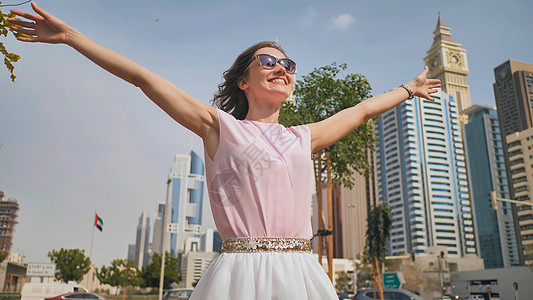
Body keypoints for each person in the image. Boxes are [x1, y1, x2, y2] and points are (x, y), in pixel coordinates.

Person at [8, 3, 440, 299]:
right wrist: (71, 36)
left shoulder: (302, 136)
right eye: (268, 61)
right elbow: (142, 77)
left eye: (288, 65)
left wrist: (409, 89)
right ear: (244, 81)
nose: (281, 69)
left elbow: (362, 111)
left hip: (302, 276)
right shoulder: (219, 128)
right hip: (238, 275)